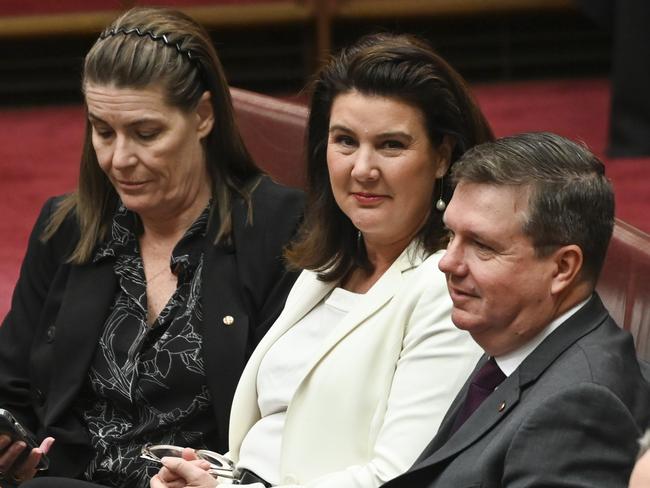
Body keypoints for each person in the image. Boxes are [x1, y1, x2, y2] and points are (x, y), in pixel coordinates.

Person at [151, 32, 493, 488]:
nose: (362, 168)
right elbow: (277, 427)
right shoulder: (328, 265)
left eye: (391, 145)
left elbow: (399, 476)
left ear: (441, 157)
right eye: (345, 141)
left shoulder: (447, 284)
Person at [0, 7, 303, 488]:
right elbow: (12, 389)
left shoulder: (279, 229)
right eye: (103, 132)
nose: (119, 159)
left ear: (202, 116)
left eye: (146, 134)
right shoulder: (68, 227)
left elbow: (292, 413)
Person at [381, 132, 650, 488]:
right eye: (451, 237)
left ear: (562, 268)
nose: (448, 263)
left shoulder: (578, 407)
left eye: (482, 245)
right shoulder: (516, 337)